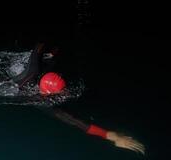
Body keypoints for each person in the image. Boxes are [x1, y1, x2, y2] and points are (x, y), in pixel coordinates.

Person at [12, 42, 145, 155]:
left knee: (51, 58)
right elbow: (75, 122)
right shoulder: (40, 102)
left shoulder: (33, 71)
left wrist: (52, 49)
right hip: (11, 87)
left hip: (26, 75)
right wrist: (112, 136)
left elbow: (38, 47)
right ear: (47, 94)